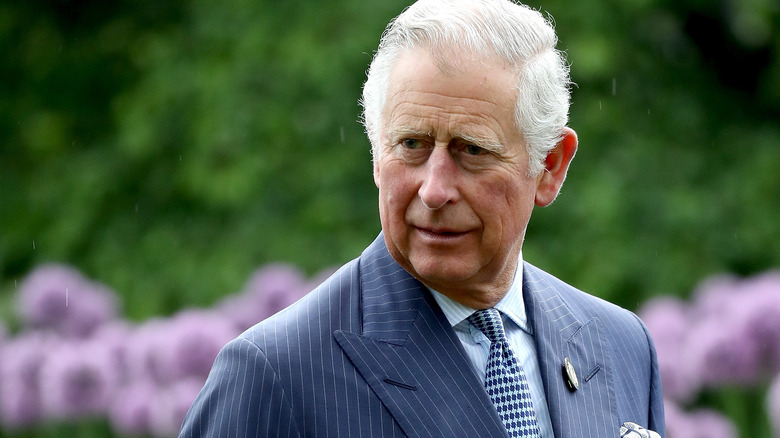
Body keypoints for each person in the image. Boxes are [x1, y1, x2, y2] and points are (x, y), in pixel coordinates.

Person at [179, 0, 665, 437]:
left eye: (472, 150)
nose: (433, 190)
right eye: (411, 145)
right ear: (375, 153)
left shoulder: (623, 345)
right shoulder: (274, 373)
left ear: (550, 166)